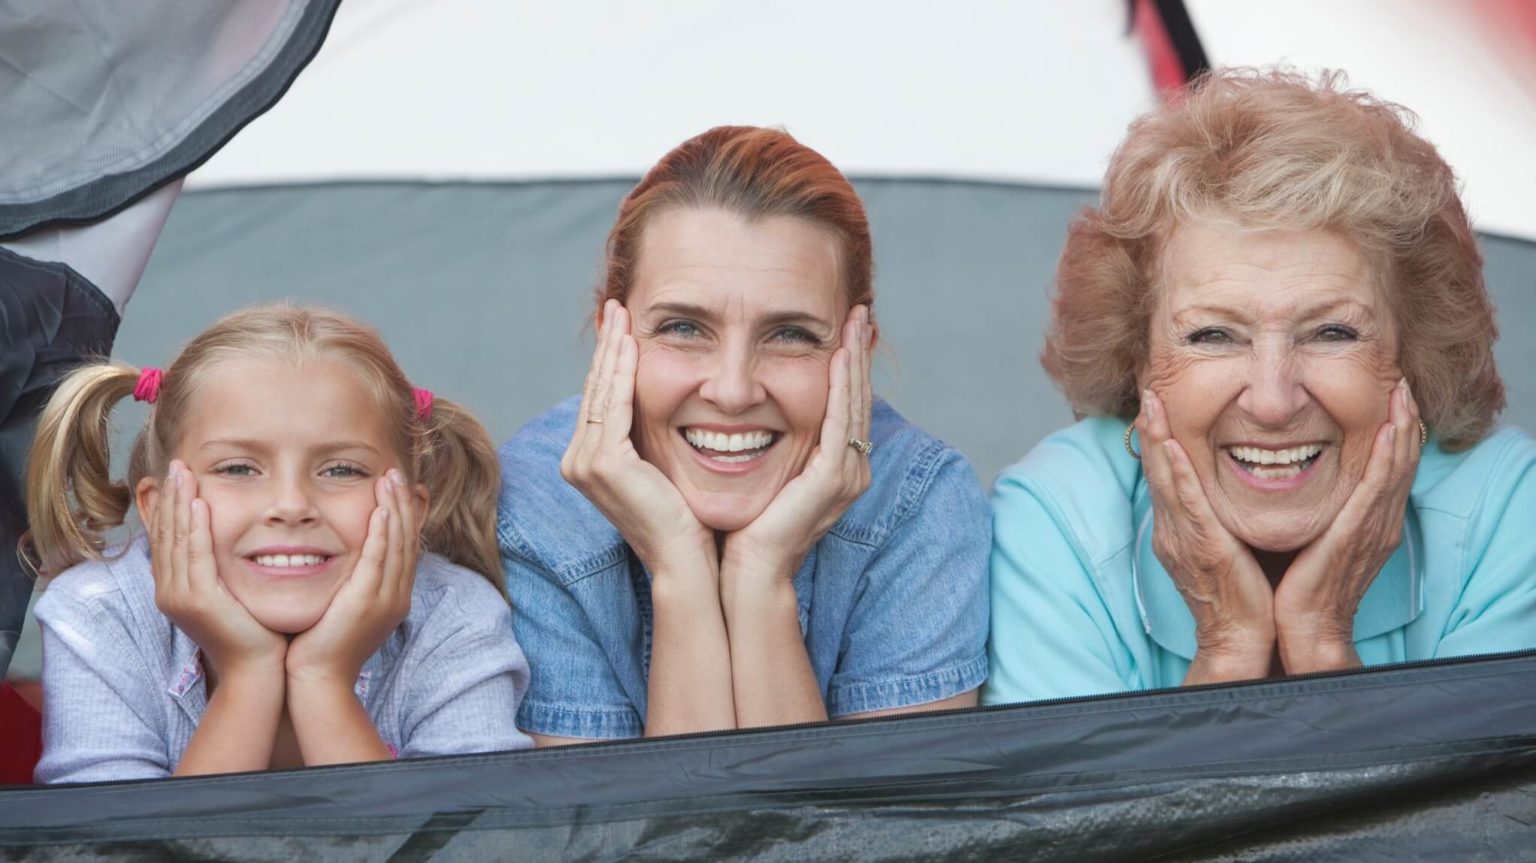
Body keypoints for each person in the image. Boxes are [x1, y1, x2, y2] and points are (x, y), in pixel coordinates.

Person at [985, 69, 1536, 704]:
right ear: (1137, 361)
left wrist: (1322, 639)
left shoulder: (1501, 507)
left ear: (1413, 353)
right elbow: (1070, 807)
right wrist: (1228, 649)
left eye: (1332, 333)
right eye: (1214, 336)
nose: (1274, 402)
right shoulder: (1057, 520)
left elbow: (1480, 806)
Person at [499, 126, 990, 744]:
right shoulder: (539, 510)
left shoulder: (918, 503)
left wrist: (763, 577)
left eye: (789, 335)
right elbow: (632, 840)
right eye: (683, 327)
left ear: (855, 351)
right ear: (611, 337)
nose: (733, 391)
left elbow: (888, 836)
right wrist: (678, 566)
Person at [25, 303, 531, 782]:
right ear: (157, 507)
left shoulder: (454, 616)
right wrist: (249, 674)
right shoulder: (102, 614)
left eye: (341, 470)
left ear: (411, 510)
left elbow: (463, 845)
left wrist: (323, 679)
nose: (291, 505)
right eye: (239, 468)